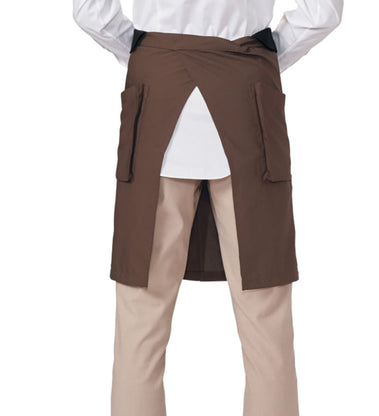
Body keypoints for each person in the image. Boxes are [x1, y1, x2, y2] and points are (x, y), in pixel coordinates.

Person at [73, 1, 344, 415]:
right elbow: (322, 11)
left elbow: (89, 10)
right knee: (266, 321)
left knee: (140, 320)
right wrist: (258, 59)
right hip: (247, 98)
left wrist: (151, 54)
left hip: (157, 94)